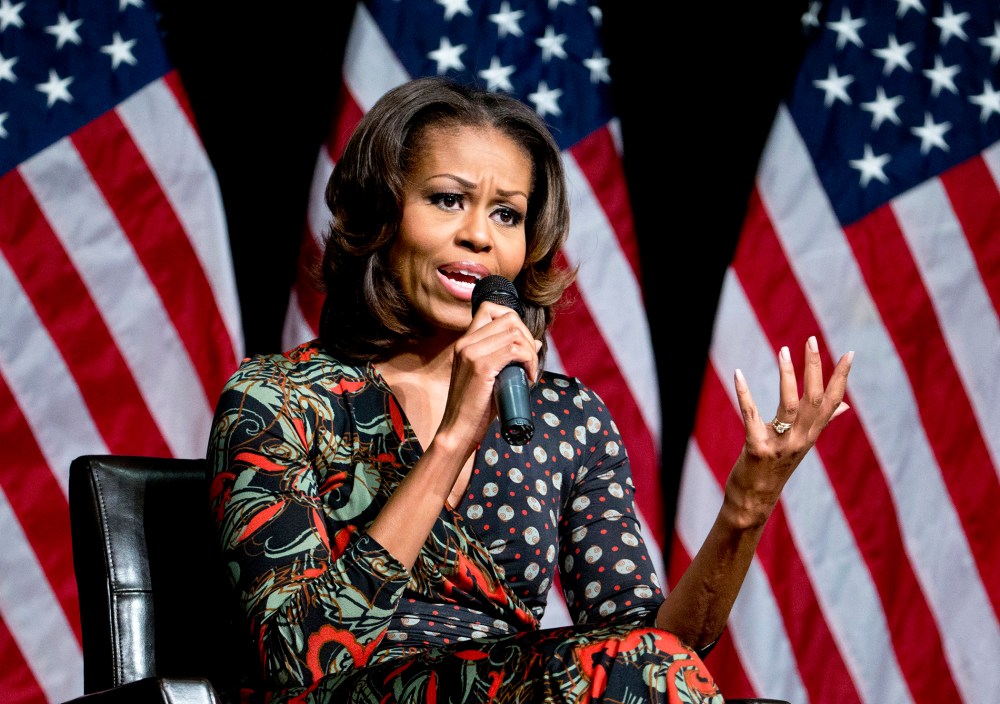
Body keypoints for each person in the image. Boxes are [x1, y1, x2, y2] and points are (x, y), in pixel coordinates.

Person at [207, 75, 853, 704]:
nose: (479, 235)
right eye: (448, 200)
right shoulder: (277, 398)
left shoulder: (567, 418)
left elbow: (655, 650)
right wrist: (454, 438)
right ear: (382, 213)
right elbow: (298, 657)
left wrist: (746, 505)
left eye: (507, 214)